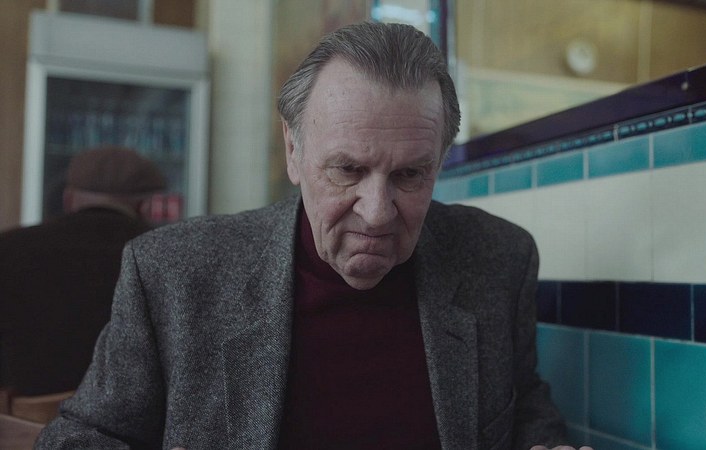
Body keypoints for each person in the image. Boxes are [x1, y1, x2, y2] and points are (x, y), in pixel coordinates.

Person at [36, 22, 593, 450]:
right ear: (293, 151)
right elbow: (77, 438)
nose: (377, 213)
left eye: (409, 175)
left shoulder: (498, 258)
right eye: (347, 170)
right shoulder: (173, 273)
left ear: (439, 162)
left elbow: (522, 406)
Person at [0, 146, 166, 397]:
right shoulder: (164, 254)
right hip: (131, 415)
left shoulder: (10, 247)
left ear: (67, 199)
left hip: (23, 414)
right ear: (144, 206)